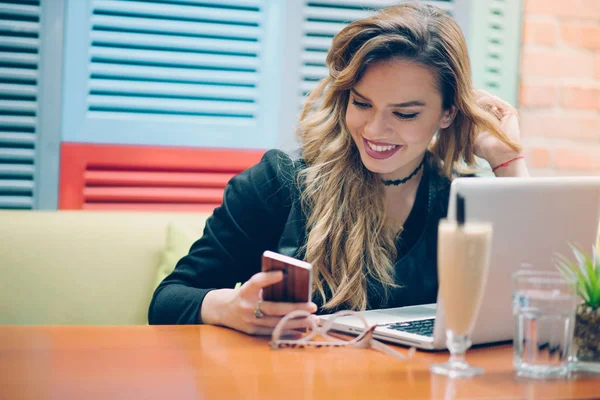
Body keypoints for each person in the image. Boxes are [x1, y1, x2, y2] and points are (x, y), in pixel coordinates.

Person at [148, 2, 529, 334]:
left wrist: (507, 160)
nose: (374, 129)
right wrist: (228, 308)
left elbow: (531, 303)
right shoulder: (278, 184)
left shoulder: (462, 201)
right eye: (362, 104)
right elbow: (167, 301)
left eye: (405, 113)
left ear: (448, 113)